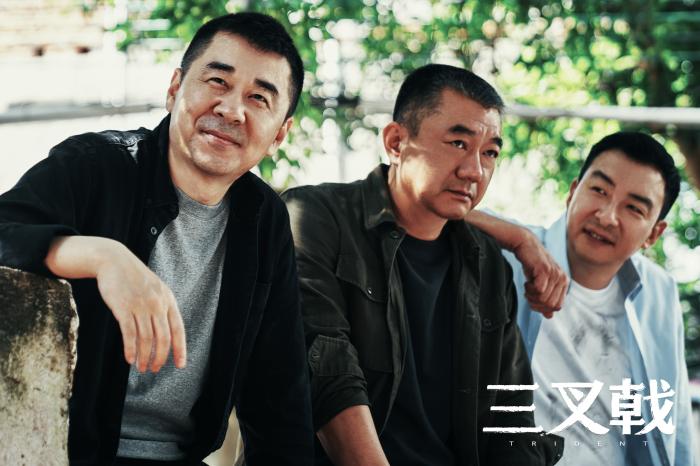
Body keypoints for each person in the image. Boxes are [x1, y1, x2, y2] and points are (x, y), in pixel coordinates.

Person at [0, 12, 313, 466]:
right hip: (64, 454)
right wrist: (100, 256)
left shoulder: (265, 219)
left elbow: (279, 397)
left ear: (280, 132)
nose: (231, 110)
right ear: (174, 88)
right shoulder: (95, 165)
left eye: (258, 98)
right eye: (218, 82)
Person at [283, 64, 563, 466]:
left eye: (490, 153)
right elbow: (329, 377)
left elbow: (511, 421)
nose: (475, 170)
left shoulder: (488, 264)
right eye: (458, 143)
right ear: (396, 142)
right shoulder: (315, 217)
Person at [467, 132, 695, 466]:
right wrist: (520, 240)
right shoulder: (510, 253)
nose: (606, 216)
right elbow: (422, 205)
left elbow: (677, 420)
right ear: (573, 192)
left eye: (633, 208)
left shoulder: (659, 292)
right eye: (599, 190)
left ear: (654, 234)